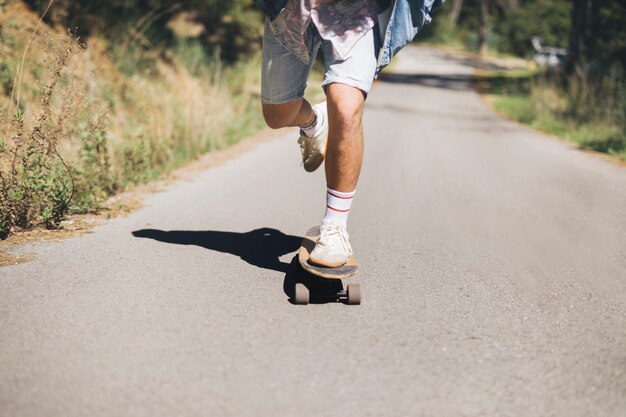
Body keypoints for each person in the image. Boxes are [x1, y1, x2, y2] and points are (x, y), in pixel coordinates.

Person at [253, 0, 443, 267]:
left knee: (345, 108)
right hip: (292, 8)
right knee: (277, 114)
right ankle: (314, 122)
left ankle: (335, 227)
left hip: (357, 13)